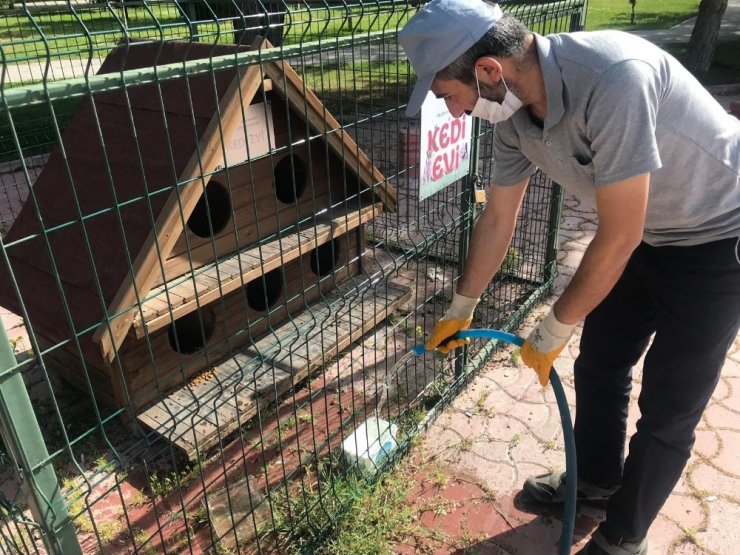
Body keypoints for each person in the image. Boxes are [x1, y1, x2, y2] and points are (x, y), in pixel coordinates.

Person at [399, 0, 740, 553]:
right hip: (647, 234)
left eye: (449, 96)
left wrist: (556, 323)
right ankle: (598, 482)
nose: (455, 113)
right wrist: (460, 307)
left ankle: (624, 536)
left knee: (669, 408)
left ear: (488, 71)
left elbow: (618, 235)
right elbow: (497, 217)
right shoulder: (511, 117)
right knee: (601, 362)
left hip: (717, 236)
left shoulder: (614, 80)